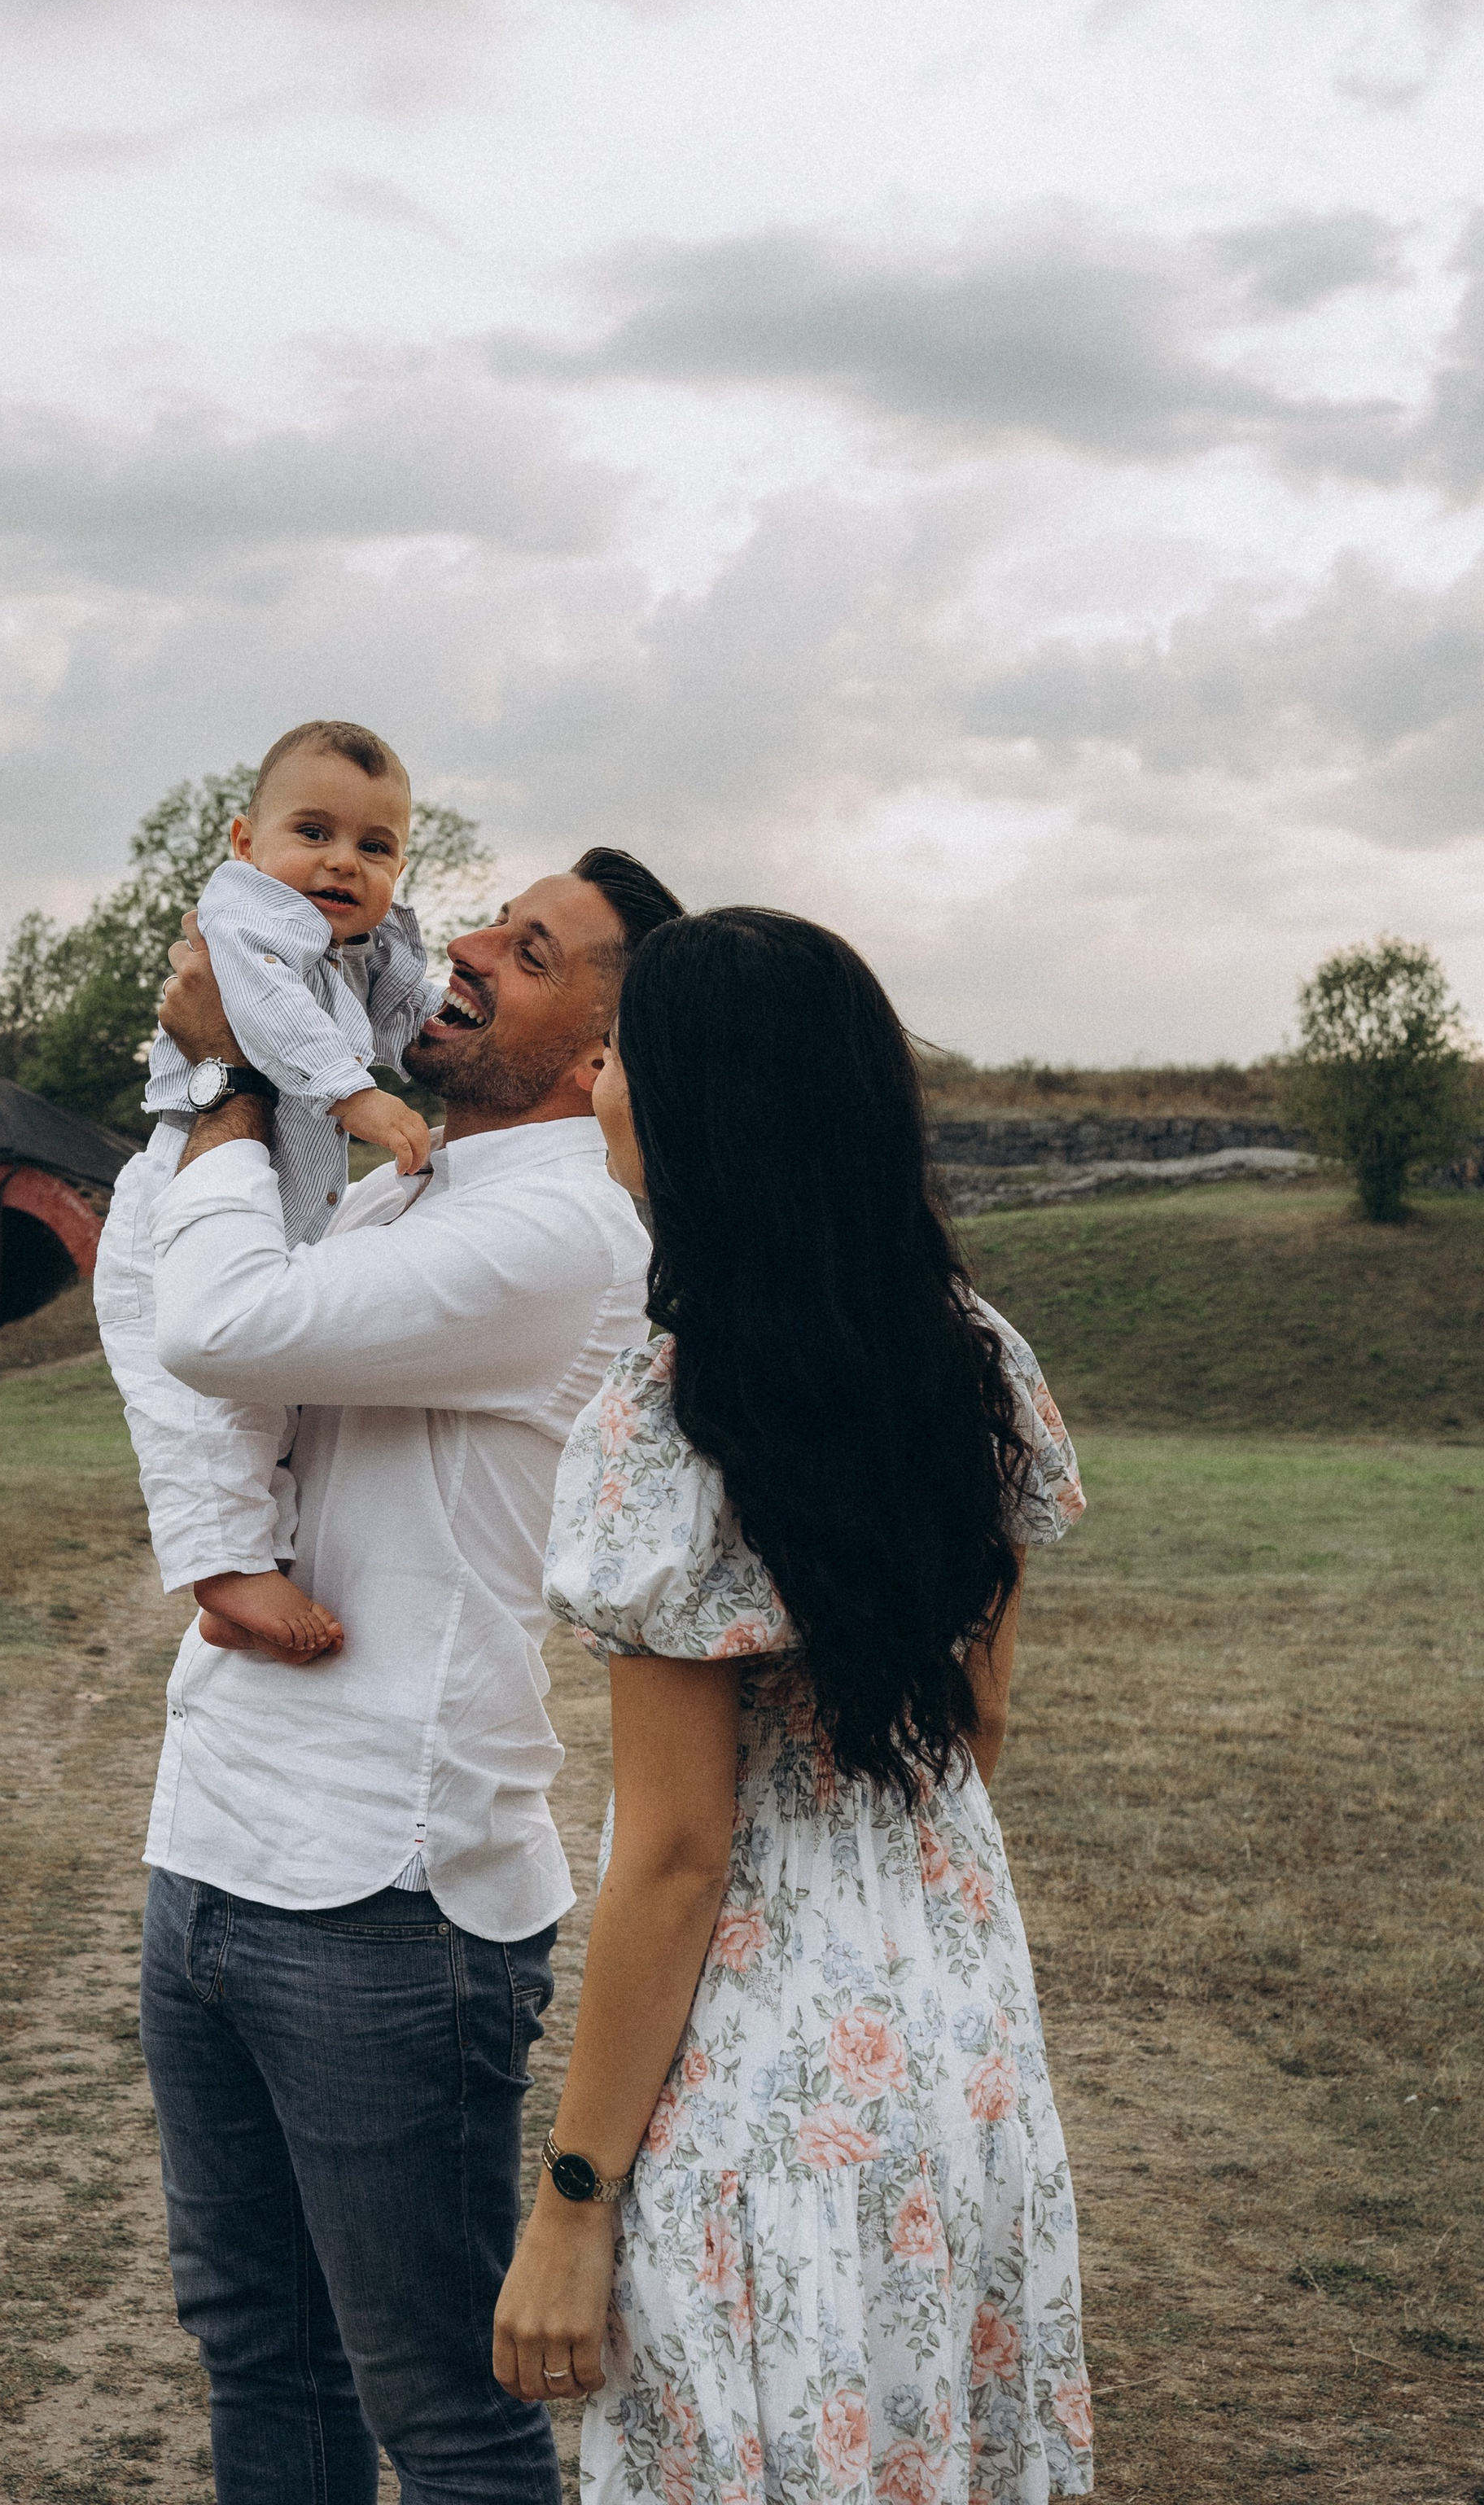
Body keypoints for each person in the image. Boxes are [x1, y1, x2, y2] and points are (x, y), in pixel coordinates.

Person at [494, 908, 1093, 2505]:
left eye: (619, 1054)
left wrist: (568, 2202)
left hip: (761, 2070)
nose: (594, 1079)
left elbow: (677, 1855)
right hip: (951, 2023)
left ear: (707, 1112)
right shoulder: (975, 1362)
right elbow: (970, 1734)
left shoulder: (666, 1421)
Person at [136, 846, 685, 2505]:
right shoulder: (399, 1189)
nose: (456, 952)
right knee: (255, 2348)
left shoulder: (564, 1235)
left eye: (525, 952)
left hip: (389, 1890)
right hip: (215, 1838)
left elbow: (212, 1323)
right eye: (483, 922)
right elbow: (178, 1316)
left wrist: (230, 1071)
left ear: (597, 1047)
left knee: (440, 2407)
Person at [94, 718, 442, 1661]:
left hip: (266, 1213)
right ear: (246, 845)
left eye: (376, 848)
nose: (343, 864)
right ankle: (222, 1569)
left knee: (263, 1407)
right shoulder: (248, 920)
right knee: (197, 1403)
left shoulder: (358, 950)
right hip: (178, 1200)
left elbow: (412, 1018)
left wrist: (440, 1031)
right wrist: (354, 1092)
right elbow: (263, 1010)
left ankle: (249, 1568)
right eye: (314, 833)